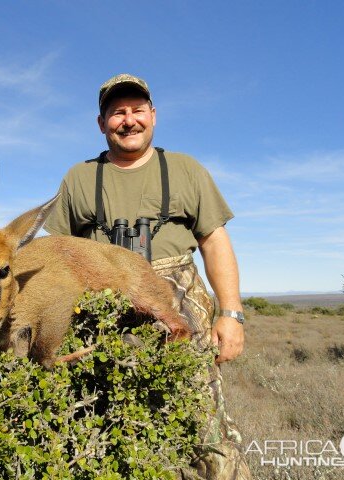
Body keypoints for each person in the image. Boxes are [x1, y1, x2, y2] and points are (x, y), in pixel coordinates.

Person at [44, 73, 251, 480]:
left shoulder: (186, 169)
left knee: (202, 415)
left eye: (137, 110)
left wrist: (231, 314)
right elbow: (57, 256)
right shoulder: (78, 178)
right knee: (99, 410)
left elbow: (214, 241)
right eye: (117, 112)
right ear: (101, 123)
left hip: (176, 292)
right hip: (100, 298)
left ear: (153, 116)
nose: (128, 120)